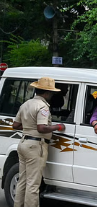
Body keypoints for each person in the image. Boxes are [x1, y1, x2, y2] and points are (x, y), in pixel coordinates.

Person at [12, 77, 66, 207]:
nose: (52, 96)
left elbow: (15, 125)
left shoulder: (26, 104)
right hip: (36, 146)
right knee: (33, 184)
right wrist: (58, 127)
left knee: (22, 181)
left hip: (23, 143)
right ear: (47, 93)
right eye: (51, 93)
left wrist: (29, 128)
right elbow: (41, 128)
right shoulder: (43, 107)